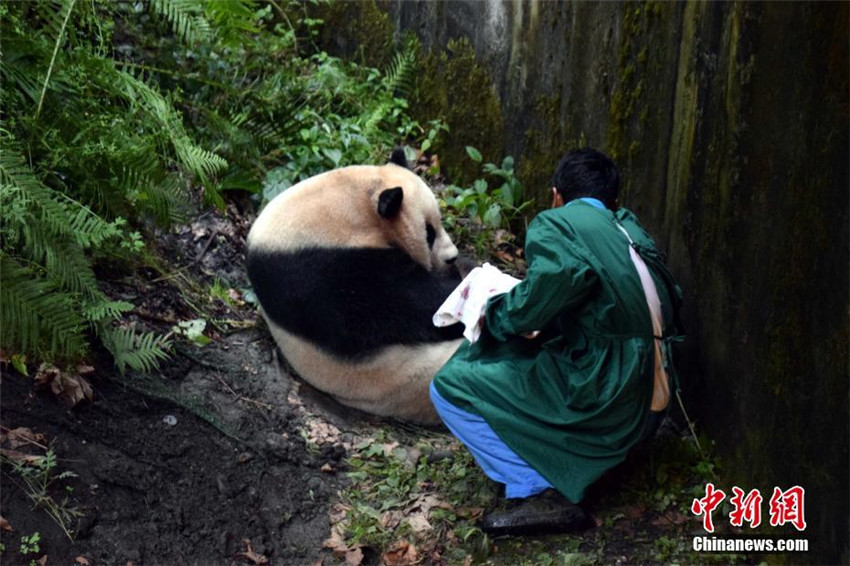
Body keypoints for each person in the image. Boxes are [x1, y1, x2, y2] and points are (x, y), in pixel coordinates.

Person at [430, 148, 684, 535]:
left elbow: (534, 305)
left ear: (556, 196)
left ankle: (537, 490)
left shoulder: (559, 224)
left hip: (613, 397)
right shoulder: (631, 229)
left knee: (450, 383)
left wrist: (491, 312)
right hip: (654, 402)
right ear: (612, 199)